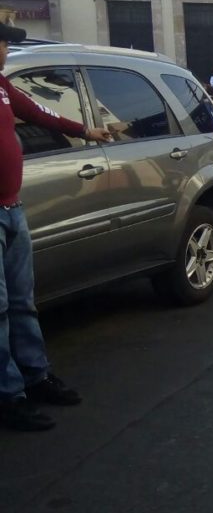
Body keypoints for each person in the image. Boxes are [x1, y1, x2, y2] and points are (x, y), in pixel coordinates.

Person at [0, 23, 111, 431]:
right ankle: (9, 396)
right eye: (3, 43)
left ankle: (35, 375)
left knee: (21, 302)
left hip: (12, 210)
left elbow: (37, 113)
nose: (7, 50)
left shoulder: (1, 85)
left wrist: (84, 130)